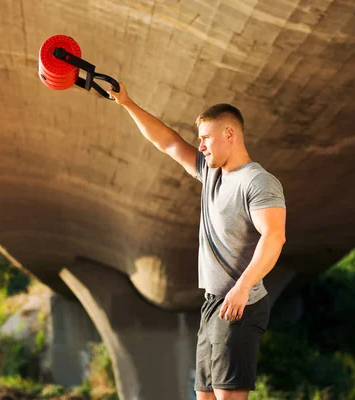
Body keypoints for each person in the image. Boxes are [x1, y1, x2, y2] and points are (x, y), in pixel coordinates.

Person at [109, 82, 287, 400]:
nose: (201, 146)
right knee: (204, 396)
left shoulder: (258, 183)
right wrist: (127, 103)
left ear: (229, 134)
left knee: (227, 397)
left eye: (206, 138)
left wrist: (243, 287)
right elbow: (169, 143)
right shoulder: (211, 173)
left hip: (240, 306)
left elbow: (274, 237)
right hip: (212, 305)